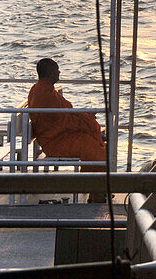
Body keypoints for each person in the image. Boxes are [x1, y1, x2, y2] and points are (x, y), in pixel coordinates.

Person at [27, 58, 107, 201]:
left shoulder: (45, 89)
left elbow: (63, 116)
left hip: (60, 136)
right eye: (57, 70)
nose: (59, 72)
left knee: (97, 146)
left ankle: (97, 191)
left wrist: (84, 117)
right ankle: (95, 192)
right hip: (54, 142)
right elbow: (59, 121)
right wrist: (85, 120)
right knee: (92, 148)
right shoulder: (43, 93)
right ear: (50, 73)